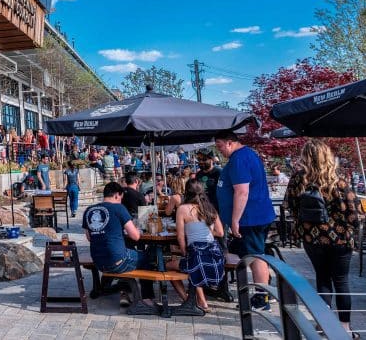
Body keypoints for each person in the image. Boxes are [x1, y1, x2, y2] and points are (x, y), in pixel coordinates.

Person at [284, 139, 360, 338]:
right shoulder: (338, 179)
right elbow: (353, 212)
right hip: (340, 240)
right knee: (342, 281)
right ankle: (345, 328)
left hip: (312, 238)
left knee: (322, 279)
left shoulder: (298, 180)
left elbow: (289, 206)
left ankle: (323, 323)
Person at [214, 130, 275, 311]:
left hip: (250, 217)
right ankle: (264, 290)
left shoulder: (240, 159)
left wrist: (235, 220)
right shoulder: (245, 155)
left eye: (220, 146)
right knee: (251, 255)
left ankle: (262, 298)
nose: (220, 151)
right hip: (253, 215)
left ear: (230, 142)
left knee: (256, 256)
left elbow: (242, 191)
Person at [83, 181, 155, 308]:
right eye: (121, 198)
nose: (121, 201)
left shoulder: (89, 210)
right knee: (147, 258)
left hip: (99, 262)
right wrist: (137, 229)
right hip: (117, 262)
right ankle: (147, 298)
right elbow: (136, 236)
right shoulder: (119, 208)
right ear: (117, 195)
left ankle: (121, 290)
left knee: (126, 250)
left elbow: (89, 237)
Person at [166, 179, 225, 312]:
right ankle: (201, 302)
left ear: (186, 192)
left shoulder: (182, 209)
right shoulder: (210, 208)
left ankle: (188, 300)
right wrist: (208, 231)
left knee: (168, 266)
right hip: (216, 260)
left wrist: (183, 252)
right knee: (193, 265)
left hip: (198, 257)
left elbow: (180, 236)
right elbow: (220, 233)